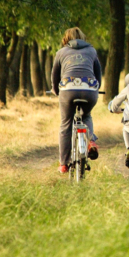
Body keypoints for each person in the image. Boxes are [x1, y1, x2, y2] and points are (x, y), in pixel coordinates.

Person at [51, 27, 101, 174]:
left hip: (68, 89)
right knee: (86, 115)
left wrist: (56, 91)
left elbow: (55, 76)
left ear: (66, 38)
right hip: (89, 89)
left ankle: (64, 163)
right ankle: (91, 141)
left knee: (66, 124)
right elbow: (98, 74)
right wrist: (96, 88)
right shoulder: (92, 51)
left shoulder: (61, 53)